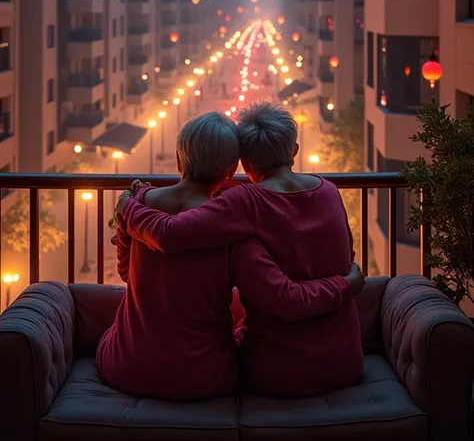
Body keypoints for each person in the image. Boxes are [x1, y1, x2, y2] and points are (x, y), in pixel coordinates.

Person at [98, 111, 364, 401]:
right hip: (216, 377)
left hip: (127, 367)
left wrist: (127, 205)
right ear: (229, 172)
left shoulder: (147, 206)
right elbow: (286, 290)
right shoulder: (324, 193)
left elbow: (134, 264)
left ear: (178, 159)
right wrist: (345, 284)